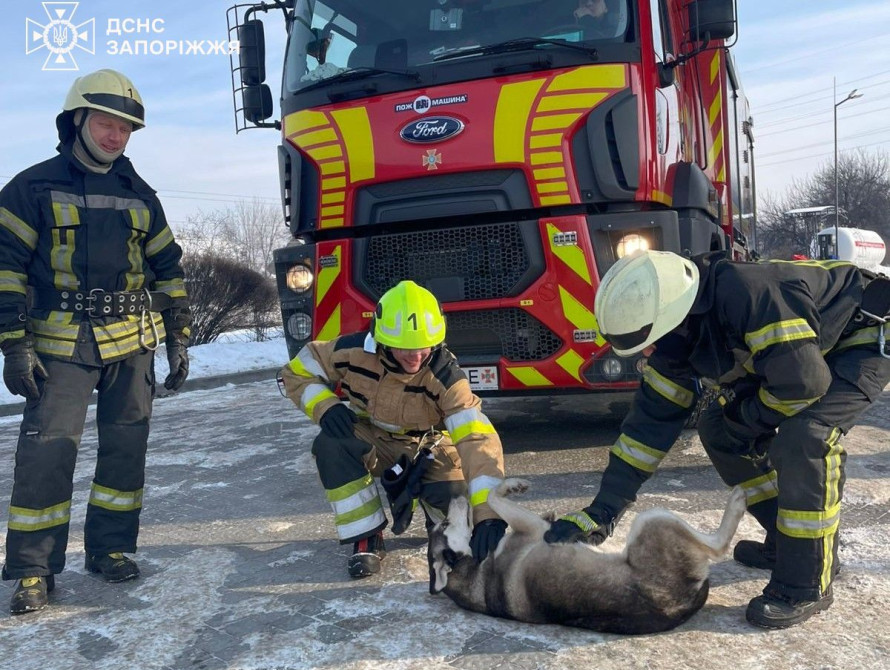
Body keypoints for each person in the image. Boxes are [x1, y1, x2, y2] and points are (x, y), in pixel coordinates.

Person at [544, 249, 890, 629]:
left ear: (672, 317)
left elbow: (804, 384)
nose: (647, 353)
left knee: (805, 438)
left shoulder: (749, 296)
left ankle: (807, 582)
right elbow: (646, 429)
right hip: (804, 355)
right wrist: (602, 510)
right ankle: (785, 541)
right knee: (717, 429)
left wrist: (750, 421)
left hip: (863, 335)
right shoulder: (676, 337)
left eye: (648, 341)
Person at [0, 69, 191, 614]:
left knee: (126, 452)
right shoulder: (29, 188)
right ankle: (34, 569)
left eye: (126, 129)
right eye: (106, 123)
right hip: (59, 347)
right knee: (46, 455)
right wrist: (14, 343)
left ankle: (110, 549)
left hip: (132, 344)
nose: (115, 137)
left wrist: (178, 337)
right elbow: (5, 271)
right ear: (77, 119)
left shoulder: (140, 194)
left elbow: (168, 270)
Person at [279, 280, 506, 579]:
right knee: (330, 444)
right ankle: (367, 536)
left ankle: (441, 528)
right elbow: (297, 371)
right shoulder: (351, 351)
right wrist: (326, 407)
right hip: (374, 441)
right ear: (382, 338)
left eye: (423, 348)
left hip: (431, 450)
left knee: (454, 510)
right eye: (404, 348)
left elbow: (477, 441)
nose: (415, 357)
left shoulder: (447, 378)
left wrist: (489, 516)